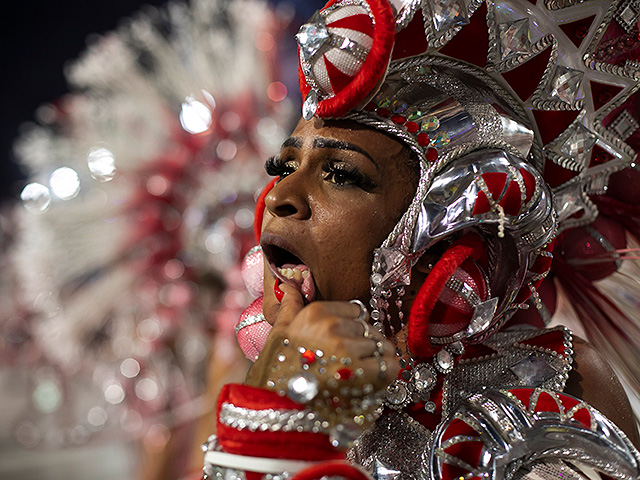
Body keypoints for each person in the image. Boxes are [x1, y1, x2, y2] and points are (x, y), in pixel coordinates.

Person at [203, 0, 640, 478]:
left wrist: (286, 412)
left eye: (342, 175)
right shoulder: (268, 382)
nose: (280, 196)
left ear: (443, 230)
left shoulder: (550, 384)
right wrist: (280, 402)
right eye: (282, 169)